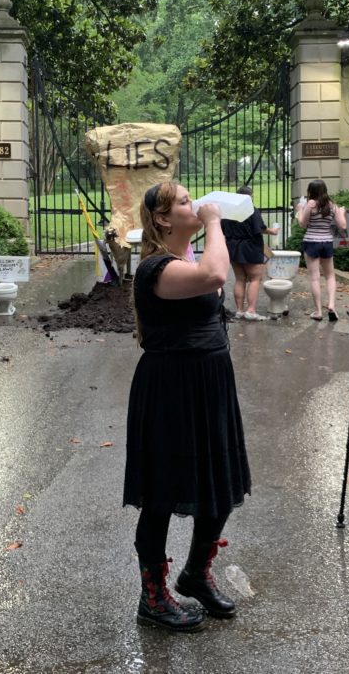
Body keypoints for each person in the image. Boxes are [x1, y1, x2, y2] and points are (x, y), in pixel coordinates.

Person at [125, 182, 251, 632]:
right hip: (171, 388)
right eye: (183, 202)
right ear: (162, 219)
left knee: (219, 482)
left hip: (210, 384)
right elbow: (218, 277)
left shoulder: (187, 259)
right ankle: (153, 597)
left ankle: (196, 573)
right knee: (161, 495)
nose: (194, 204)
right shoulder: (156, 268)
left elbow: (211, 276)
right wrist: (215, 221)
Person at [221, 185, 279, 321]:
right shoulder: (251, 210)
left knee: (240, 279)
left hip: (233, 247)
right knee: (255, 279)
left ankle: (240, 311)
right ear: (249, 197)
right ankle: (251, 310)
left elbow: (223, 229)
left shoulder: (228, 212)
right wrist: (273, 231)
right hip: (250, 247)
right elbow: (259, 228)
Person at [298, 179, 348, 321]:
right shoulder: (332, 206)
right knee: (330, 276)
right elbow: (342, 226)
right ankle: (331, 305)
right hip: (327, 242)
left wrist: (300, 210)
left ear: (311, 191)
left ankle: (318, 311)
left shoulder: (311, 204)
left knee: (315, 277)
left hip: (311, 242)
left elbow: (302, 223)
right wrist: (342, 213)